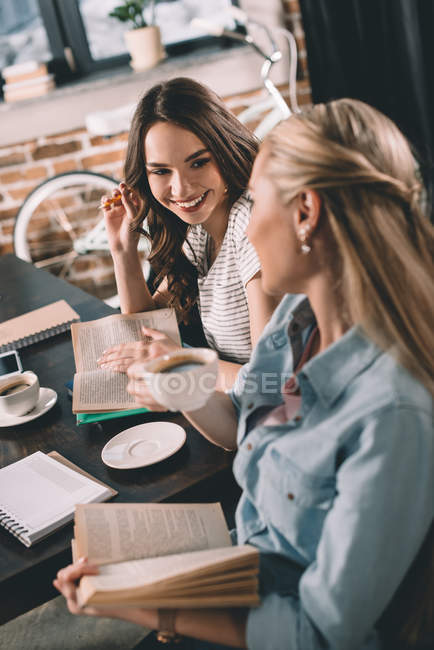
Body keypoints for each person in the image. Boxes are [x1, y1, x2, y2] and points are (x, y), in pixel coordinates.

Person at [54, 99, 434, 649]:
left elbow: (316, 635)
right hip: (251, 566)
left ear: (305, 213)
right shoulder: (294, 323)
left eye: (257, 204)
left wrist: (157, 609)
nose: (248, 229)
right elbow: (244, 432)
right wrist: (179, 385)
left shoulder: (392, 414)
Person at [97, 77, 279, 390]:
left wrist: (177, 361)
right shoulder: (199, 232)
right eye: (161, 171)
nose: (180, 188)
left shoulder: (251, 225)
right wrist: (122, 250)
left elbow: (270, 382)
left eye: (198, 162)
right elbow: (146, 326)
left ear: (225, 150)